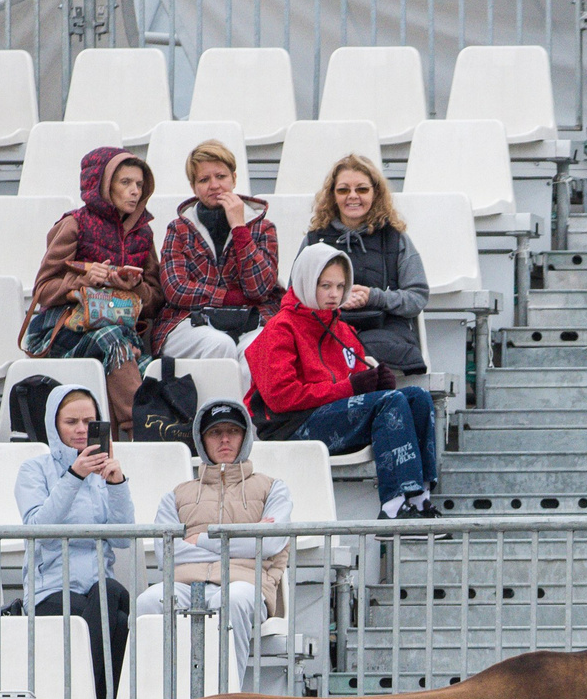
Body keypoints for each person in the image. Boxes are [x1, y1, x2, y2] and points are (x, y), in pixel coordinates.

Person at [248, 245, 439, 519]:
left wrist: (377, 383)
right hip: (291, 425)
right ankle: (394, 507)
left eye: (340, 286)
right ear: (305, 281)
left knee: (417, 397)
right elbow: (281, 398)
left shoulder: (343, 330)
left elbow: (359, 380)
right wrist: (353, 388)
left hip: (331, 417)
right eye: (325, 285)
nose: (334, 294)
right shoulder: (280, 328)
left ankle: (420, 498)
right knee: (391, 402)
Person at [134, 399, 291, 686]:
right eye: (215, 433)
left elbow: (268, 545)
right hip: (185, 584)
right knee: (148, 601)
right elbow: (167, 553)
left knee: (230, 600)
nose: (225, 439)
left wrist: (201, 539)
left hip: (247, 584)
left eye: (233, 431)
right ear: (201, 440)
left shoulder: (272, 487)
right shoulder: (177, 494)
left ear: (245, 437)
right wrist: (248, 535)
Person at [24, 147, 165, 436]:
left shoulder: (144, 234)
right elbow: (43, 291)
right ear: (102, 184)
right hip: (64, 334)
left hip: (123, 333)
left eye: (139, 184)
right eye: (125, 183)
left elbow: (155, 302)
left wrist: (135, 286)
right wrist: (83, 280)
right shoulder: (73, 225)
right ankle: (138, 431)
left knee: (151, 364)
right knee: (112, 341)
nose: (134, 191)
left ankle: (123, 437)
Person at [16, 384, 132, 699]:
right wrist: (74, 475)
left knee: (109, 594)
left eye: (89, 421)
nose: (82, 430)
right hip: (51, 590)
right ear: (55, 425)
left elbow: (123, 538)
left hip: (96, 590)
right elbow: (40, 529)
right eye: (71, 422)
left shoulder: (104, 470)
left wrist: (118, 485)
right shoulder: (34, 470)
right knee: (117, 617)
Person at [299, 155, 432, 375]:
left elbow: (417, 297)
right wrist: (334, 300)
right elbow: (296, 297)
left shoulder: (395, 239)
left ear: (375, 193)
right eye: (343, 190)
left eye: (362, 189)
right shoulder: (314, 240)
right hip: (325, 329)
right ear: (333, 195)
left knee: (358, 352)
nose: (353, 196)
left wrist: (373, 297)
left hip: (385, 330)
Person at [156, 141, 281, 363]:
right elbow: (175, 289)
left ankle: (244, 400)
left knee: (256, 348)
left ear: (234, 178)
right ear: (194, 187)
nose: (214, 185)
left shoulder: (263, 226)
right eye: (204, 180)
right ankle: (217, 400)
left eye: (221, 177)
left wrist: (240, 228)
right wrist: (229, 297)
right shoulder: (179, 228)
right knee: (219, 345)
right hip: (189, 320)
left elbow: (260, 288)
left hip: (253, 318)